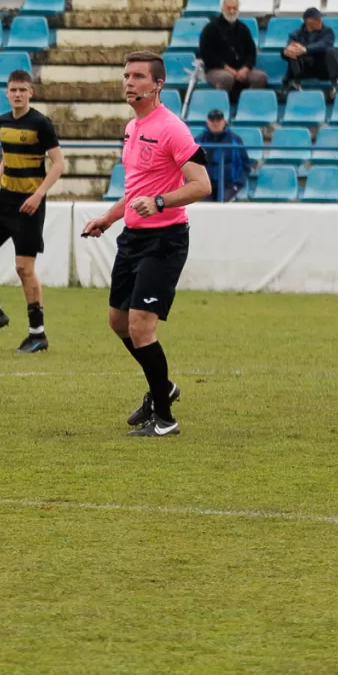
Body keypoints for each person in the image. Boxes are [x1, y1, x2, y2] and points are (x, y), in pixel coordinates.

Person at [81, 51, 210, 438]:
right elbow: (136, 188)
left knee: (140, 326)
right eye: (126, 75)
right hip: (132, 238)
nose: (129, 82)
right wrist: (108, 218)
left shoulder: (172, 128)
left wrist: (159, 202)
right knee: (118, 322)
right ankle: (163, 387)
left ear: (157, 85)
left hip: (165, 239)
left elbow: (201, 185)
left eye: (138, 76)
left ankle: (165, 420)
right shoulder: (132, 127)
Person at [0, 68, 64, 355]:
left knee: (23, 268)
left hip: (29, 205)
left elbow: (58, 163)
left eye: (23, 90)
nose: (18, 94)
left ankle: (37, 334)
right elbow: (7, 159)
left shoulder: (41, 123)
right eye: (13, 90)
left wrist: (38, 194)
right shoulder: (3, 121)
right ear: (7, 93)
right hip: (5, 202)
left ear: (30, 93)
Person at [196, 0, 269, 93]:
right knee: (226, 79)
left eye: (234, 8)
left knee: (260, 77)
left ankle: (247, 101)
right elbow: (207, 54)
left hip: (241, 69)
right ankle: (222, 102)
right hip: (217, 69)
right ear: (222, 9)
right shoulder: (210, 28)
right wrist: (228, 69)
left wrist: (245, 68)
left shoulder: (243, 28)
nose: (232, 11)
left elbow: (251, 53)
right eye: (229, 8)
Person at [197, 107, 250, 203]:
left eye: (218, 120)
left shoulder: (235, 140)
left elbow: (245, 165)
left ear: (224, 122)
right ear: (207, 122)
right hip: (205, 185)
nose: (215, 123)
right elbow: (189, 164)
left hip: (229, 185)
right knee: (204, 206)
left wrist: (237, 184)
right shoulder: (199, 141)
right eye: (212, 120)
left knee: (224, 204)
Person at [281, 6, 338, 86]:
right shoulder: (296, 34)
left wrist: (305, 49)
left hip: (322, 67)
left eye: (320, 18)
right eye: (316, 19)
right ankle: (296, 83)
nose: (320, 21)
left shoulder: (327, 31)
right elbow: (288, 50)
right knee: (292, 52)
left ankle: (334, 84)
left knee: (331, 51)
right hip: (304, 68)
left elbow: (324, 44)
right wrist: (286, 52)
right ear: (307, 21)